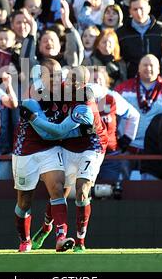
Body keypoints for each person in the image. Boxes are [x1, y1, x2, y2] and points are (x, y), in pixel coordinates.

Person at [23, 65, 108, 252]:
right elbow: (38, 89)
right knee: (59, 190)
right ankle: (46, 228)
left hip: (91, 147)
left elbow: (60, 131)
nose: (69, 83)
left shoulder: (84, 106)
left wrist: (34, 119)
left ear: (84, 85)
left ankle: (80, 242)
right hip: (69, 146)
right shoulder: (61, 88)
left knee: (82, 192)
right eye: (68, 78)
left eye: (74, 81)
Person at [13, 58, 75, 253]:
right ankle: (25, 240)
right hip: (27, 151)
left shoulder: (66, 92)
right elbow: (47, 133)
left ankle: (60, 238)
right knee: (24, 201)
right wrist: (68, 128)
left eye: (59, 75)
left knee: (58, 188)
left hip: (51, 149)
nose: (57, 79)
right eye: (52, 76)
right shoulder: (31, 98)